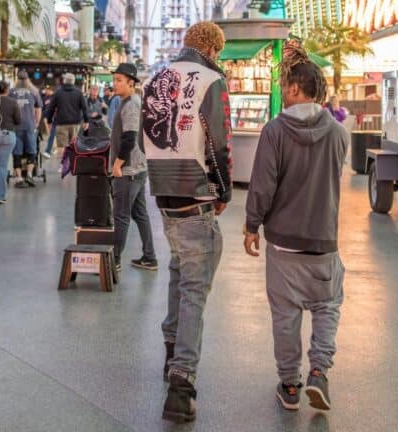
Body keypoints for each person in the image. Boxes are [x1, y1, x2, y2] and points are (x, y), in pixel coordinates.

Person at [243, 43, 348, 412]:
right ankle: (319, 370)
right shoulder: (338, 134)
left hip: (284, 244)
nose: (282, 92)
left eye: (284, 86)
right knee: (327, 304)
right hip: (324, 241)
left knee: (286, 315)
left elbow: (263, 183)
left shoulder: (275, 130)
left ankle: (289, 385)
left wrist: (252, 224)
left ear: (293, 89)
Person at [141, 21, 232, 423]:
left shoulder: (155, 79)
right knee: (195, 287)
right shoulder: (212, 80)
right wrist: (223, 191)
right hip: (197, 195)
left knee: (180, 270)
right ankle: (182, 382)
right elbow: (219, 143)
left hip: (164, 195)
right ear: (214, 47)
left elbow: (149, 138)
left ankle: (170, 348)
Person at [108, 63, 156, 273]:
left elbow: (129, 138)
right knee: (140, 213)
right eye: (114, 79)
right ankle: (149, 257)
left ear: (131, 82)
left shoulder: (131, 104)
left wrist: (117, 165)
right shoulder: (128, 101)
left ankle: (114, 260)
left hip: (128, 170)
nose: (115, 83)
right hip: (137, 168)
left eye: (119, 80)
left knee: (121, 215)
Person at [9, 69, 43, 188]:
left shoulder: (11, 92)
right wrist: (37, 123)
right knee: (32, 151)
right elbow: (38, 109)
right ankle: (29, 174)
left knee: (17, 152)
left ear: (17, 80)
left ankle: (18, 177)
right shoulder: (34, 91)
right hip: (30, 126)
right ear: (28, 79)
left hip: (15, 127)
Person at [45, 73, 89, 151]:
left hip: (61, 123)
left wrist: (49, 121)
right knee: (74, 146)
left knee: (62, 148)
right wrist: (86, 120)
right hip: (75, 123)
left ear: (64, 81)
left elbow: (51, 108)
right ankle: (72, 162)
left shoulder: (58, 92)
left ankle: (64, 162)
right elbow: (84, 107)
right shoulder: (79, 93)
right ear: (73, 81)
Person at [41, 86, 56, 158]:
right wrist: (44, 117)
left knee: (52, 135)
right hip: (47, 118)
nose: (46, 91)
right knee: (50, 134)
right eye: (46, 89)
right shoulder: (44, 98)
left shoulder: (56, 97)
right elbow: (43, 108)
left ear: (51, 90)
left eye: (48, 90)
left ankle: (49, 150)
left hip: (54, 118)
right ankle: (52, 148)